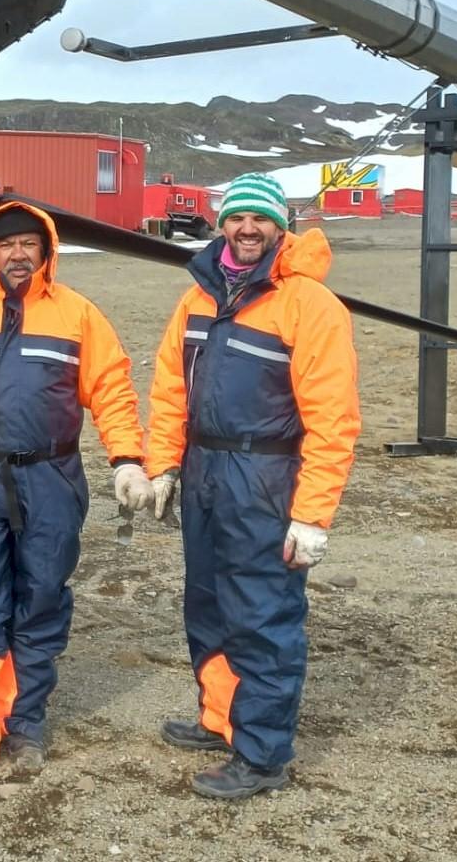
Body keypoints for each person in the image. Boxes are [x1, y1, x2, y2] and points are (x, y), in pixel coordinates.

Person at [0, 202, 151, 786]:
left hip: (53, 479)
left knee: (40, 601)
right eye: (5, 245)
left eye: (29, 246)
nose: (17, 255)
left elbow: (112, 386)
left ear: (46, 253)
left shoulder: (76, 315)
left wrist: (128, 460)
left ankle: (25, 722)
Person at [144, 173, 360, 800]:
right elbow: (168, 390)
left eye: (260, 220)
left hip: (267, 479)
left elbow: (333, 418)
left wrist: (312, 515)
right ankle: (221, 718)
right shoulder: (197, 299)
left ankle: (262, 755)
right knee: (208, 605)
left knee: (263, 615)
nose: (246, 230)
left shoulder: (310, 306)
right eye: (236, 217)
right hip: (205, 475)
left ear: (279, 228)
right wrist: (164, 466)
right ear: (221, 223)